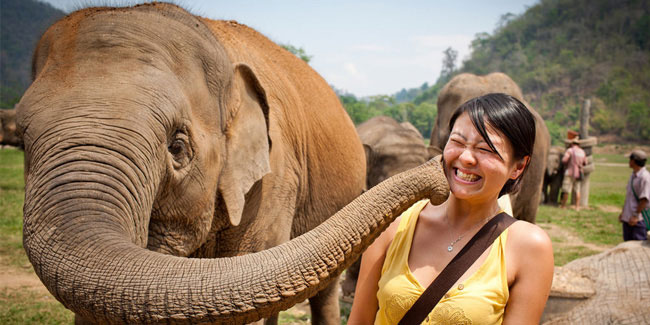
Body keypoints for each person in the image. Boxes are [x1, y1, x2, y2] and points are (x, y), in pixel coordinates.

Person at [348, 93, 554, 324]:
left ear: (518, 167)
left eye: (485, 149)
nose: (465, 157)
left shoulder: (529, 247)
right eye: (457, 142)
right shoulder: (392, 224)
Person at [619, 149, 649, 241]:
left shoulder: (645, 177)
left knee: (637, 248)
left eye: (630, 160)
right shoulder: (633, 175)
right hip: (628, 218)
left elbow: (644, 200)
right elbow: (629, 197)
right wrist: (623, 213)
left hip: (638, 221)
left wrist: (636, 216)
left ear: (633, 161)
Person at [560, 138, 587, 210]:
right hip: (578, 174)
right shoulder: (582, 151)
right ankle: (577, 207)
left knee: (566, 190)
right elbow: (585, 163)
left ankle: (563, 206)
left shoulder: (570, 150)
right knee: (577, 190)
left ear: (572, 144)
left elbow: (564, 160)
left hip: (569, 172)